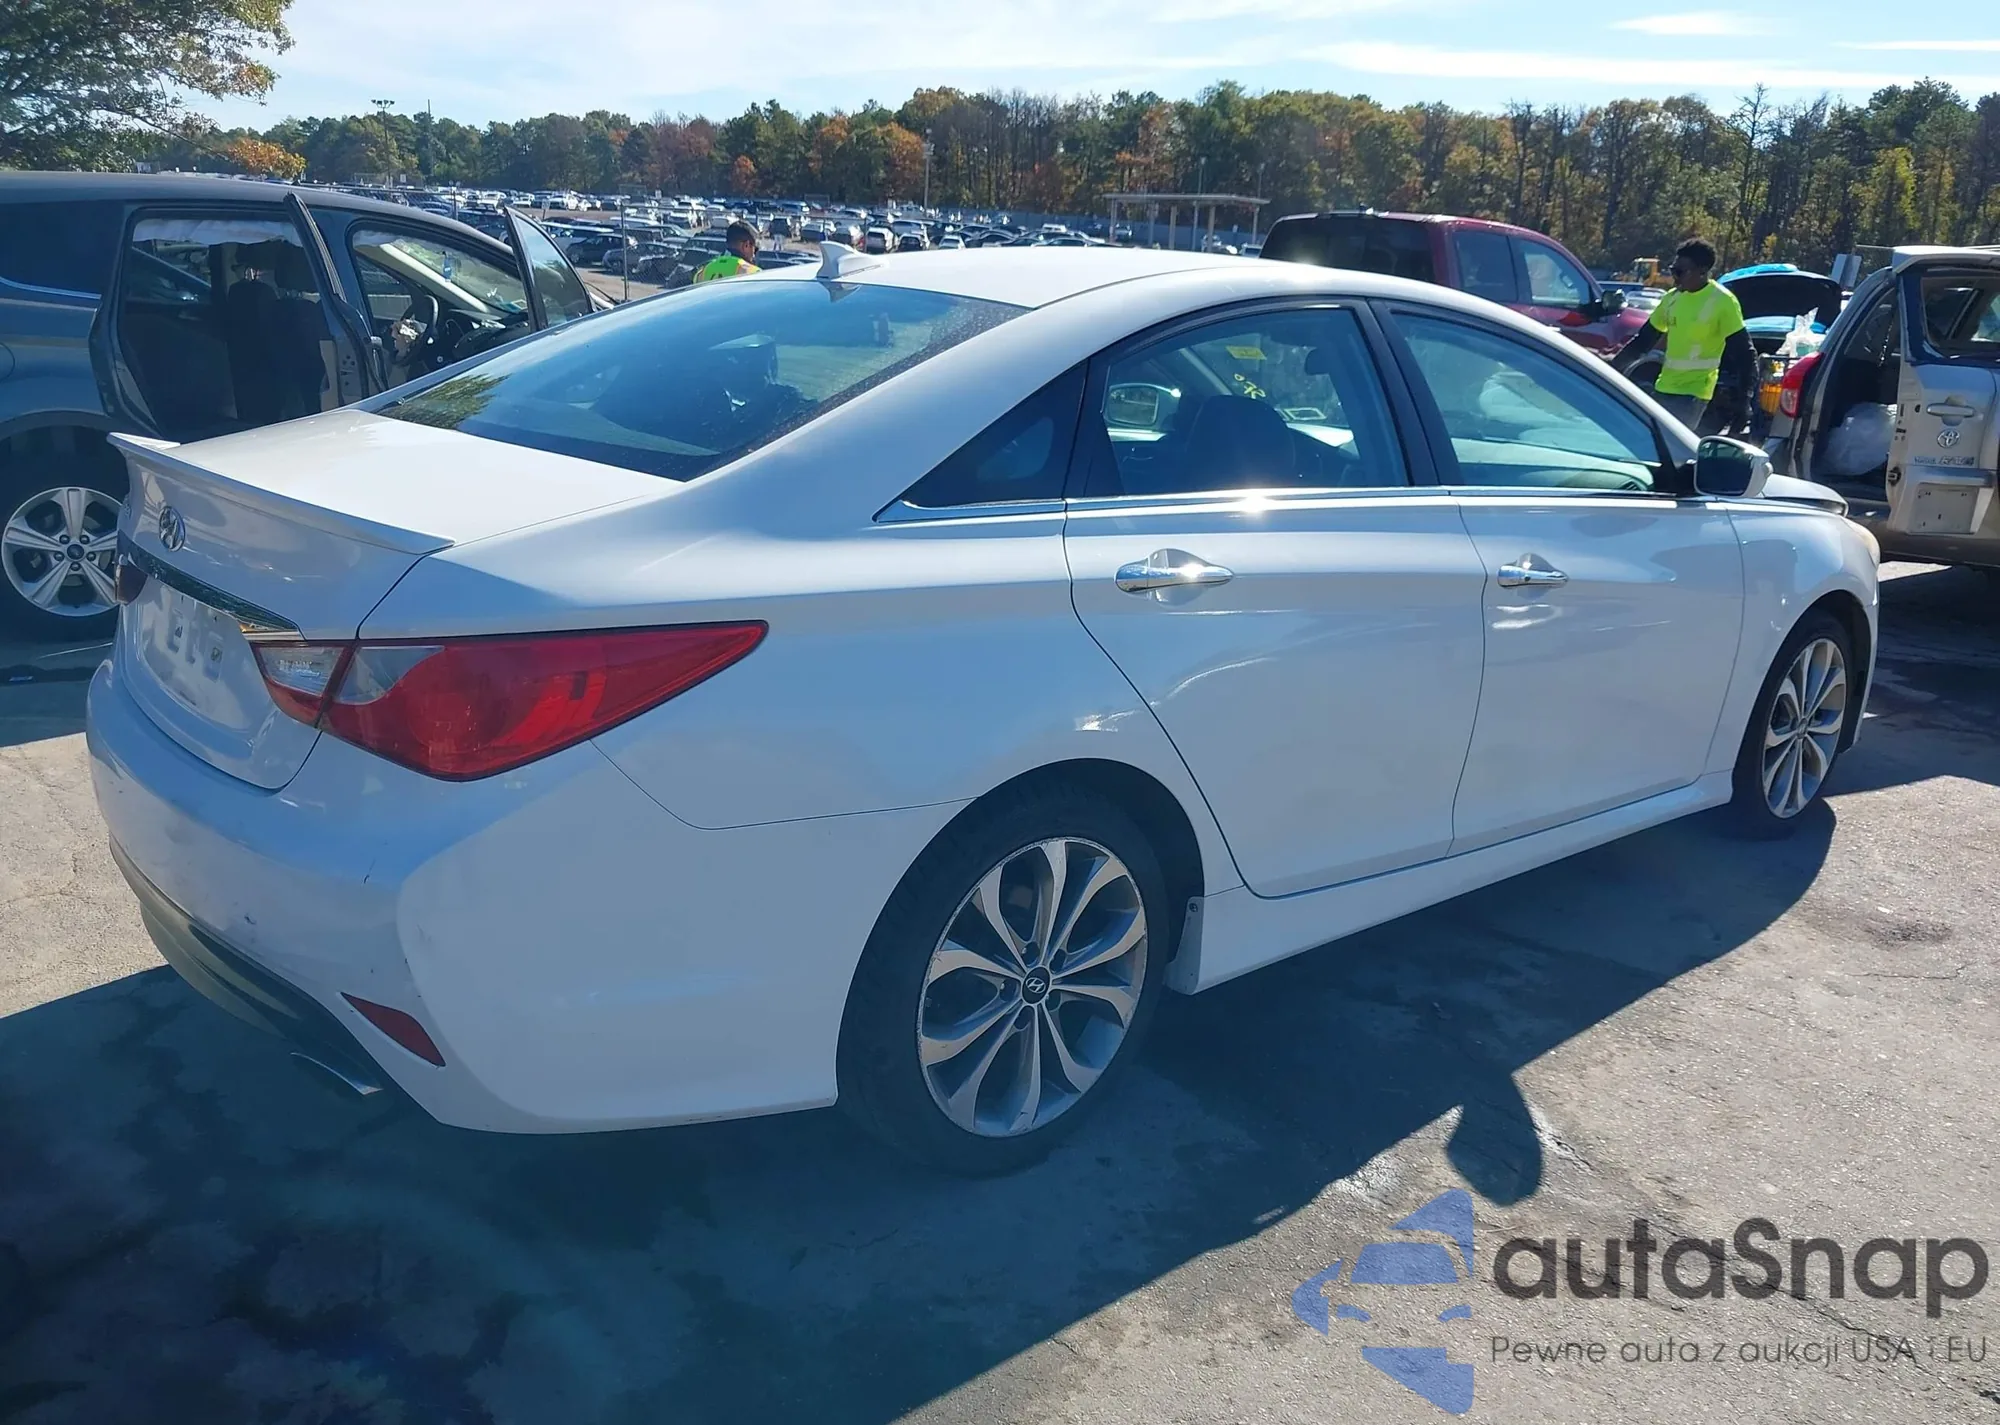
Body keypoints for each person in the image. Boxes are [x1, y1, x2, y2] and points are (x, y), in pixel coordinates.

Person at [1613, 238, 1756, 434]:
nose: (1675, 278)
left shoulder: (1723, 302)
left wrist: (1744, 402)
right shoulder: (1672, 299)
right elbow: (1643, 341)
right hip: (1663, 388)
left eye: (1680, 272)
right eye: (1673, 270)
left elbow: (1745, 354)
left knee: (1670, 445)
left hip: (1693, 395)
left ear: (1702, 271)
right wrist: (1611, 370)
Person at [694, 221, 761, 283]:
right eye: (755, 249)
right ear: (746, 245)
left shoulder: (703, 272)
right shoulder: (753, 274)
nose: (754, 255)